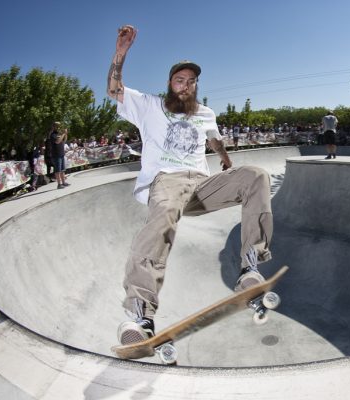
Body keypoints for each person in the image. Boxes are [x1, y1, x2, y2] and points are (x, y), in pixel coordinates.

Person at [107, 25, 274, 345]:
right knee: (166, 212)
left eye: (192, 81)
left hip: (201, 184)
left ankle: (250, 269)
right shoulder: (149, 105)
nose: (186, 86)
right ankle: (141, 316)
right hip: (166, 181)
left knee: (256, 175)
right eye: (180, 80)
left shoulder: (206, 113)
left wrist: (225, 159)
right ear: (170, 84)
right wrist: (120, 54)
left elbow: (215, 140)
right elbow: (115, 90)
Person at [50, 122, 70, 189]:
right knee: (57, 170)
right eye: (57, 126)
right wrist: (63, 133)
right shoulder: (53, 135)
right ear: (53, 127)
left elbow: (64, 141)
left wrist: (65, 134)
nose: (58, 127)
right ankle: (59, 184)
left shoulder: (59, 134)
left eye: (59, 126)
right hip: (56, 155)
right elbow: (57, 141)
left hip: (61, 154)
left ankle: (63, 182)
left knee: (62, 170)